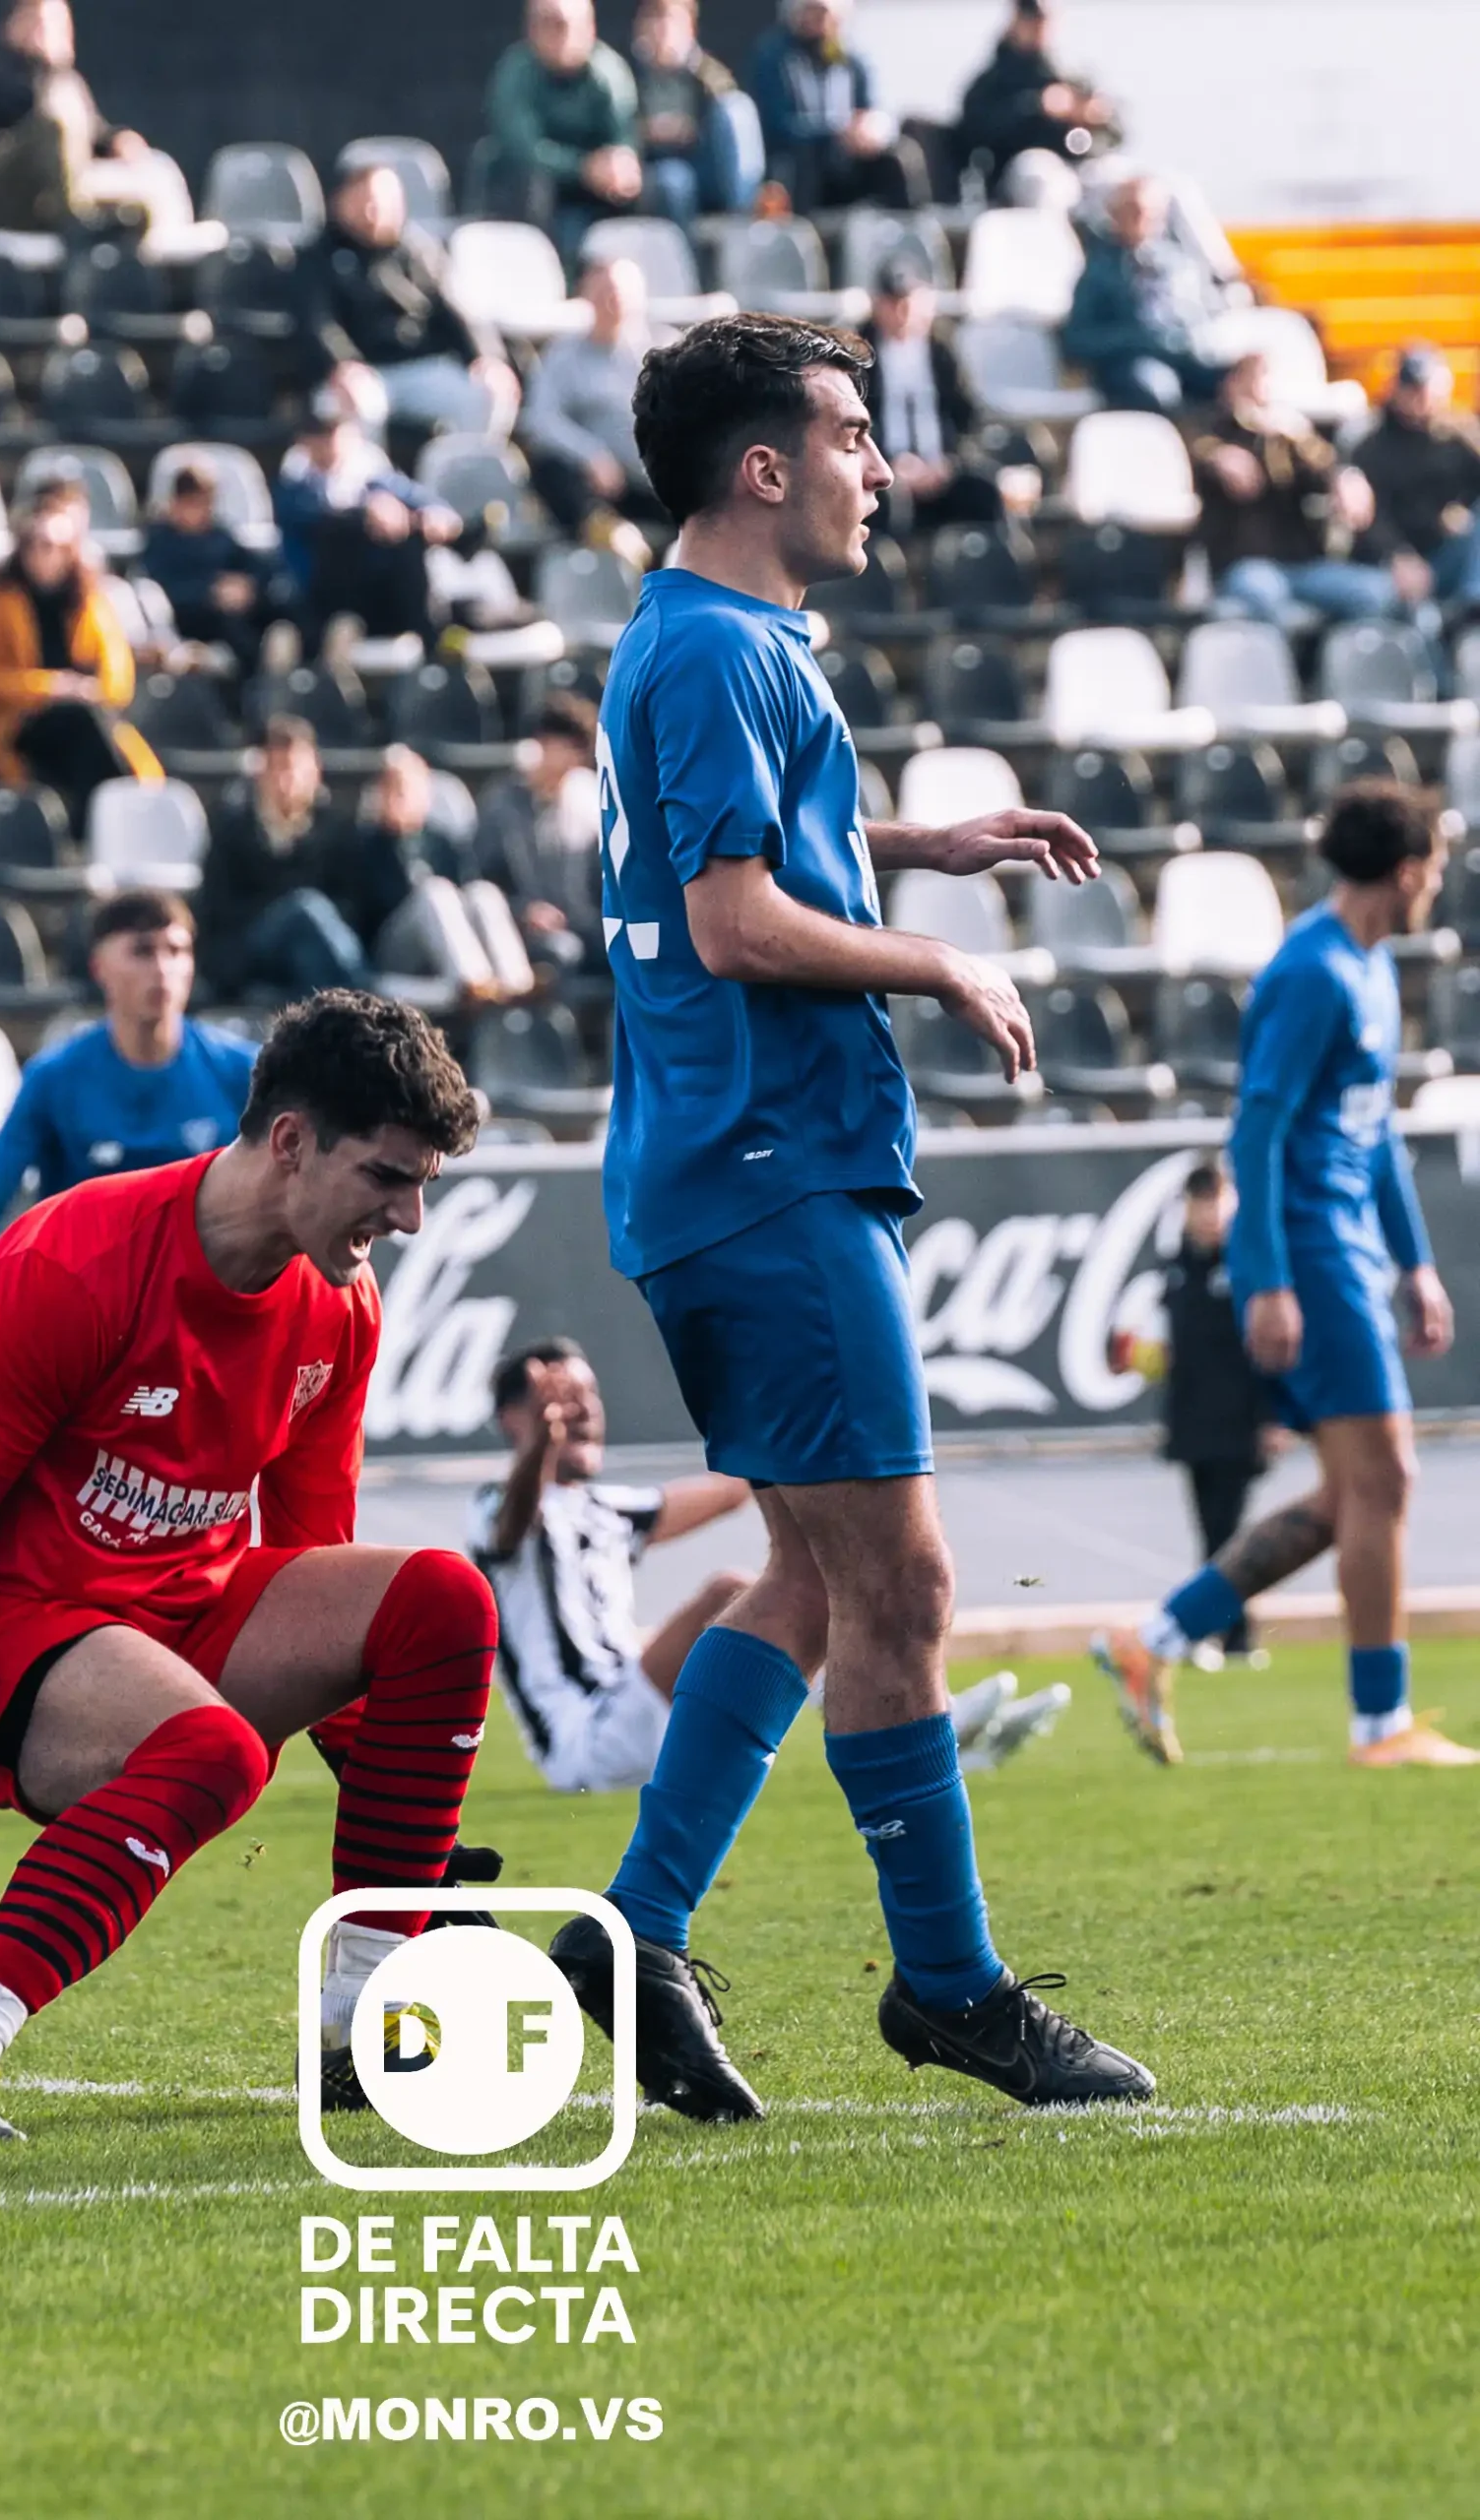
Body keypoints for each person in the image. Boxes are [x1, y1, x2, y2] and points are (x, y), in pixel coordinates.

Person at [552, 307, 1151, 2120]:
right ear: (763, 466)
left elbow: (721, 858)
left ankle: (632, 1934)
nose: (878, 469)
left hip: (735, 1170)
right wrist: (931, 964)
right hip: (766, 1167)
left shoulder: (701, 642)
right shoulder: (716, 655)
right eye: (852, 437)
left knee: (813, 1576)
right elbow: (735, 924)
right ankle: (951, 1987)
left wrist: (914, 849)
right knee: (905, 1583)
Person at [0, 991, 492, 2142]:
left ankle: (358, 2021)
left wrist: (398, 1799)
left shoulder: (339, 1305)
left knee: (444, 1599)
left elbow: (311, 1554)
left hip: (190, 1614)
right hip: (19, 1636)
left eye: (419, 1186)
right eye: (386, 1178)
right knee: (212, 1750)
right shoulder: (72, 1260)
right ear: (292, 1141)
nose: (407, 1217)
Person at [1096, 784, 1472, 1770]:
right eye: (1431, 867)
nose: (1434, 884)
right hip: (1309, 1252)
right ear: (1404, 871)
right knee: (1383, 1477)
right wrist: (1263, 1278)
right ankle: (1377, 1725)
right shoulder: (1311, 971)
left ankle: (1153, 1640)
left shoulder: (1370, 966)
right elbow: (1256, 1129)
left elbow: (1374, 1131)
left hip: (1347, 1248)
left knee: (1348, 1496)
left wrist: (1414, 1261)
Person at [476, 1336, 1069, 1792]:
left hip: (642, 1715)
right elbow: (512, 1524)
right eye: (557, 1400)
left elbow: (733, 1487)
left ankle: (941, 1740)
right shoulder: (496, 1505)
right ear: (514, 1420)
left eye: (587, 1396)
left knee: (778, 1603)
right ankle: (924, 1725)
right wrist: (540, 1451)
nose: (579, 1412)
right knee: (737, 1594)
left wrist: (782, 1413)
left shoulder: (607, 1509)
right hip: (586, 1743)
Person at [0, 889, 257, 1268]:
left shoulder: (242, 1072)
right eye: (142, 951)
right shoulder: (53, 1080)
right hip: (87, 1304)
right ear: (99, 967)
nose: (163, 969)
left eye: (176, 951)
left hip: (203, 1306)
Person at [0, 481, 161, 815]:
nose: (43, 555)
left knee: (86, 726)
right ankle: (100, 822)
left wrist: (87, 690)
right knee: (83, 726)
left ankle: (94, 822)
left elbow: (119, 678)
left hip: (85, 717)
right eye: (35, 545)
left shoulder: (90, 602)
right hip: (22, 722)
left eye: (53, 546)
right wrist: (51, 687)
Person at [295, 159, 518, 442]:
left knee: (486, 394)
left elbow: (457, 308)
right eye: (363, 200)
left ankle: (457, 478)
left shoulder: (420, 251)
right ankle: (371, 485)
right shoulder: (316, 256)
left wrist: (487, 357)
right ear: (339, 201)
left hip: (419, 367)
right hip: (358, 373)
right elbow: (318, 322)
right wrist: (342, 364)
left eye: (382, 202)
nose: (372, 211)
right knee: (362, 406)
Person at [1157, 1163, 1271, 1665]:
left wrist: (1273, 1417)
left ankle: (1226, 1634)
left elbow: (1265, 1349)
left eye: (1216, 1202)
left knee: (1228, 1532)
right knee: (1210, 1531)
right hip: (1192, 1421)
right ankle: (1231, 1635)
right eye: (1199, 1203)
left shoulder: (1249, 1263)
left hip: (1240, 1421)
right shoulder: (1178, 1264)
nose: (1207, 1215)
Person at [1198, 352, 1398, 632]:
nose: (1259, 391)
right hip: (1245, 565)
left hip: (1303, 566)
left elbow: (1324, 470)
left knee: (1376, 592)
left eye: (1264, 380)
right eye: (1249, 380)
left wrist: (1339, 472)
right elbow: (1193, 445)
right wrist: (1216, 456)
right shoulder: (1212, 431)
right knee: (1263, 594)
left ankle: (1333, 666)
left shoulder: (1292, 436)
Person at [274, 392, 462, 651]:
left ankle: (430, 642)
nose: (328, 442)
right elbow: (321, 522)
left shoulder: (371, 479)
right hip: (321, 595)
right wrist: (368, 513)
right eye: (320, 434)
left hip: (377, 592)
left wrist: (431, 517)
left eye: (334, 431)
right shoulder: (295, 488)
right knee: (355, 532)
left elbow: (420, 499)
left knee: (409, 543)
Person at [348, 744, 537, 1001]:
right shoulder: (364, 845)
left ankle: (516, 982)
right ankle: (473, 982)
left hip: (446, 950)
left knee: (483, 892)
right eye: (393, 788)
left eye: (409, 788)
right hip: (394, 952)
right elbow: (371, 908)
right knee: (434, 891)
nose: (402, 796)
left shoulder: (441, 842)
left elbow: (466, 891)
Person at [199, 717, 369, 998]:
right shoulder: (231, 830)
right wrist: (283, 911)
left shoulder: (338, 830)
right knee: (305, 906)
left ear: (315, 772)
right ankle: (362, 994)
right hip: (252, 950)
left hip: (313, 949)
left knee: (309, 940)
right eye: (278, 768)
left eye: (295, 769)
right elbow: (219, 909)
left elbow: (352, 904)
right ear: (261, 773)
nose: (286, 779)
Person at [0, 0, 149, 234]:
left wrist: (117, 140)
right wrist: (46, 68)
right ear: (14, 27)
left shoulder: (68, 85)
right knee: (52, 126)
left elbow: (95, 135)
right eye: (40, 24)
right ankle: (76, 220)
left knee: (135, 208)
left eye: (59, 25)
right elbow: (39, 119)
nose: (50, 33)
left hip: (45, 203)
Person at [520, 256, 669, 567]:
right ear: (586, 296)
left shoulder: (666, 352)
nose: (612, 303)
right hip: (599, 486)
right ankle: (603, 528)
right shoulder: (563, 354)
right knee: (547, 465)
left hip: (656, 477)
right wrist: (590, 455)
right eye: (603, 294)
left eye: (619, 294)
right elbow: (541, 418)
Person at [484, 0, 643, 261]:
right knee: (535, 187)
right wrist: (583, 168)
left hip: (597, 194)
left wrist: (620, 164)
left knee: (665, 185)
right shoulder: (515, 72)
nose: (564, 35)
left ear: (591, 28)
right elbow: (525, 150)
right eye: (552, 25)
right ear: (532, 29)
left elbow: (624, 136)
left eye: (571, 26)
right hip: (531, 193)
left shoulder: (609, 72)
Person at [858, 255, 1002, 536]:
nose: (903, 312)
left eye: (910, 302)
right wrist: (889, 463)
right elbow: (854, 422)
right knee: (882, 504)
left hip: (941, 466)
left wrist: (949, 462)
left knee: (983, 492)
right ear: (877, 305)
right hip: (885, 471)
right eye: (893, 302)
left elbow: (969, 418)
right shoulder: (861, 355)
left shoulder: (943, 352)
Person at [1061, 172, 1224, 415]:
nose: (1142, 218)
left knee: (1243, 381)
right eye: (1133, 210)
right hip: (1132, 362)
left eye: (1152, 212)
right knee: (1156, 387)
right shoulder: (1097, 270)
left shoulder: (1180, 264)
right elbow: (1077, 339)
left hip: (1185, 354)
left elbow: (1207, 313)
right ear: (1114, 214)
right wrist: (1138, 338)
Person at [745, 0, 923, 217]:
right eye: (814, 12)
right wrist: (835, 132)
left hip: (847, 159)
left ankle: (907, 228)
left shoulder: (851, 60)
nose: (822, 22)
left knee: (900, 156)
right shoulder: (773, 57)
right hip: (800, 163)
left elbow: (870, 109)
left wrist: (869, 130)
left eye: (827, 14)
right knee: (805, 159)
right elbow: (775, 123)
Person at [475, 692, 607, 972]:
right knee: (563, 950)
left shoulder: (589, 802)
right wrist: (524, 910)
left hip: (584, 924)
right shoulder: (502, 805)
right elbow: (480, 879)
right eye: (563, 747)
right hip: (520, 928)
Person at [1352, 346, 1480, 621]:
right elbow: (1370, 518)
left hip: (1446, 554)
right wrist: (1397, 554)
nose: (1420, 398)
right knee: (1408, 613)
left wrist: (1458, 513)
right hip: (1395, 563)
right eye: (1412, 388)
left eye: (1426, 388)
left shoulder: (1457, 436)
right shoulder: (1371, 447)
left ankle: (1473, 604)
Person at [139, 460, 289, 680]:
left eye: (206, 502)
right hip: (185, 622)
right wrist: (210, 592)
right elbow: (160, 588)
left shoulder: (219, 537)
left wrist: (246, 587)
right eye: (193, 502)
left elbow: (258, 567)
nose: (201, 511)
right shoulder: (159, 542)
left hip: (226, 623)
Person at [956, 0, 1118, 196]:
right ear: (1015, 20)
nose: (1039, 24)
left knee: (1129, 183)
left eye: (1045, 17)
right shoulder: (993, 81)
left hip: (1080, 166)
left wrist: (1095, 117)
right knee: (1041, 179)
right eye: (1032, 16)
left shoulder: (1072, 77)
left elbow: (1117, 133)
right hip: (1019, 174)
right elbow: (974, 134)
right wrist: (1037, 107)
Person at [629, 0, 763, 226]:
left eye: (670, 19)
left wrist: (691, 128)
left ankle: (741, 219)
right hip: (656, 165)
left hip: (705, 162)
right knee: (673, 181)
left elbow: (724, 114)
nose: (661, 29)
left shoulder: (706, 71)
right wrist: (647, 130)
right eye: (653, 19)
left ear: (690, 27)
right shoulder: (630, 75)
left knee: (737, 109)